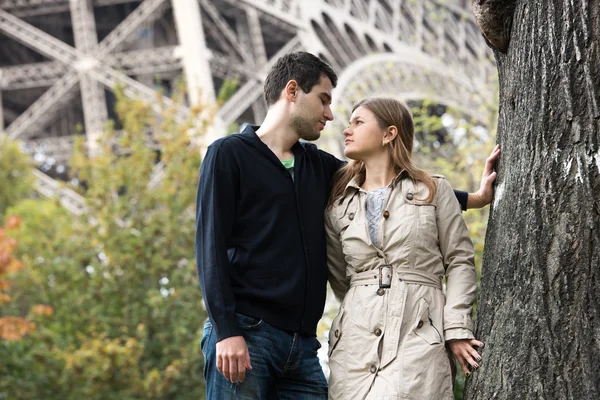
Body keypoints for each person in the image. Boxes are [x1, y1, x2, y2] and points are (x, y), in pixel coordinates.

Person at [195, 52, 499, 399]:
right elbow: (210, 249)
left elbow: (396, 186)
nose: (330, 115)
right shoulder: (228, 154)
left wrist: (475, 198)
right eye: (323, 100)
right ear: (292, 91)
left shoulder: (318, 166)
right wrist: (226, 330)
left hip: (303, 348)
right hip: (248, 334)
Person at [325, 97, 490, 399]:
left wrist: (455, 328)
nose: (347, 129)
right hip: (354, 347)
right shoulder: (338, 206)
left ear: (389, 134)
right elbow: (340, 277)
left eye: (358, 122)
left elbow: (459, 261)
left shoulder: (434, 190)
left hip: (418, 335)